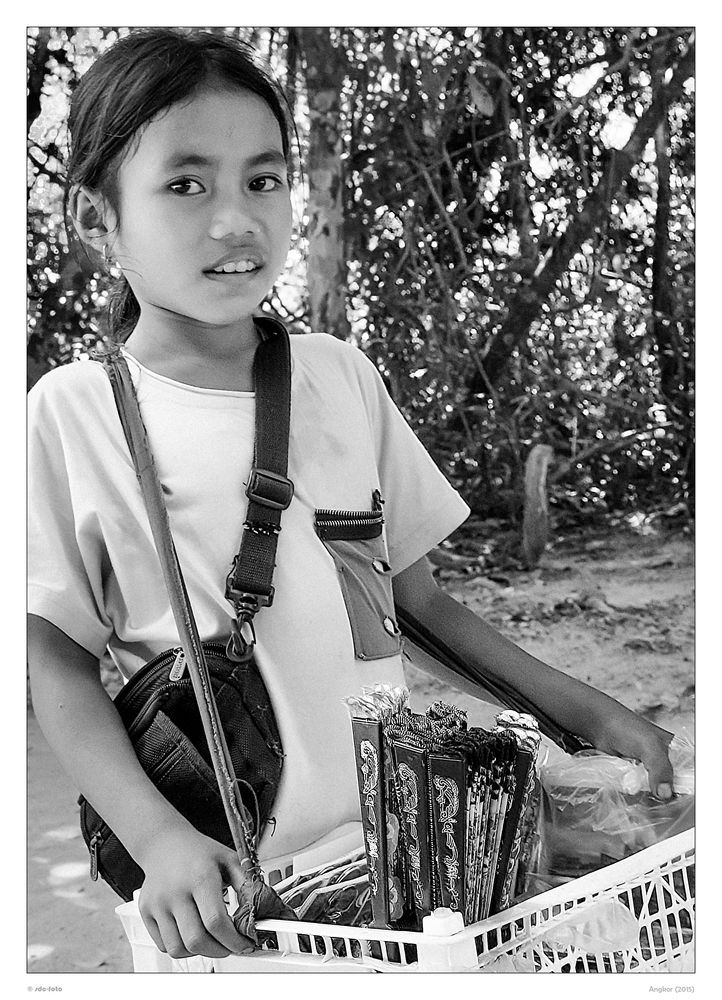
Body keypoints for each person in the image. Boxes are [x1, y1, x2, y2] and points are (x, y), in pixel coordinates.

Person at [27, 27, 675, 965]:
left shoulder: (340, 378)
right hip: (224, 895)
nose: (236, 219)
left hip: (397, 863)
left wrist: (591, 712)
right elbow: (54, 667)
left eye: (263, 178)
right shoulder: (75, 414)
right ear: (97, 221)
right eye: (185, 183)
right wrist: (158, 840)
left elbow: (415, 607)